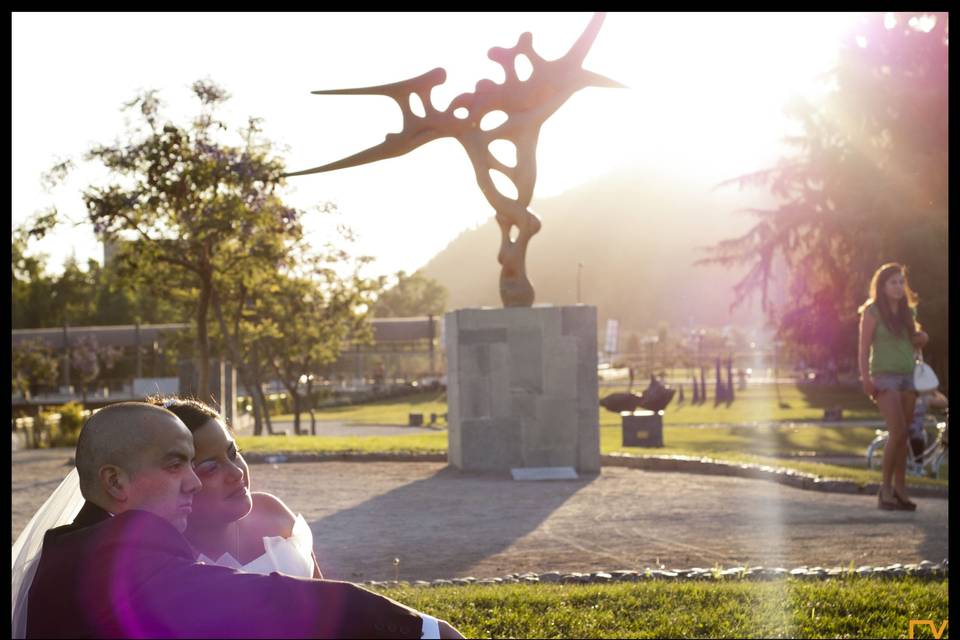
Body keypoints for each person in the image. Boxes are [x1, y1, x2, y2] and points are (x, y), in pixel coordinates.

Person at [16, 402, 463, 639]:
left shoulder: (68, 547)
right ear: (115, 482)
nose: (192, 482)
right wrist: (423, 629)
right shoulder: (126, 558)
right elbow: (264, 601)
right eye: (177, 465)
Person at [145, 396, 321, 578]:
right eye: (211, 468)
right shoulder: (169, 562)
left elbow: (326, 595)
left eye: (233, 453)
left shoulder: (271, 509)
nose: (237, 473)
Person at [858, 262, 929, 511]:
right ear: (882, 285)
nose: (899, 287)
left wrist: (922, 338)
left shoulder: (908, 312)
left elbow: (913, 341)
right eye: (893, 282)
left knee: (903, 437)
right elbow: (864, 347)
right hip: (884, 377)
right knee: (897, 432)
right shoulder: (872, 311)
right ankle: (885, 490)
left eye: (901, 282)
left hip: (908, 376)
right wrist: (865, 378)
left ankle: (901, 491)